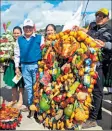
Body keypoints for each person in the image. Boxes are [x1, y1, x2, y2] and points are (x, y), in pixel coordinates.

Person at [80, 8, 112, 129]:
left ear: (107, 18)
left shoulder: (109, 29)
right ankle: (92, 114)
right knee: (89, 90)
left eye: (102, 16)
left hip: (101, 65)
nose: (99, 18)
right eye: (97, 15)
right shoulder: (92, 27)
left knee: (98, 92)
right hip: (88, 64)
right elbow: (87, 35)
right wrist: (81, 30)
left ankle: (93, 119)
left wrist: (105, 45)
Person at [14, 19, 44, 116]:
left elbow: (44, 51)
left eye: (30, 27)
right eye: (26, 27)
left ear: (33, 28)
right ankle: (31, 105)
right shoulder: (19, 39)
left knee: (37, 86)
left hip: (36, 65)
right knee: (28, 87)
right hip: (24, 66)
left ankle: (38, 106)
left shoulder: (40, 37)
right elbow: (17, 54)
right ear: (23, 28)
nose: (28, 29)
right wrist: (17, 67)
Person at [3, 26, 24, 109]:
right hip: (12, 66)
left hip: (20, 65)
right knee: (13, 83)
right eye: (14, 33)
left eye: (18, 33)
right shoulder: (9, 43)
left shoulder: (23, 42)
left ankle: (21, 100)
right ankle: (14, 99)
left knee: (21, 83)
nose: (16, 34)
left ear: (21, 33)